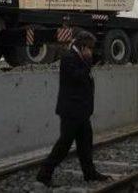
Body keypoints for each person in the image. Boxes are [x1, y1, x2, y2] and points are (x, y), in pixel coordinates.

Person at [36, 30, 111, 187]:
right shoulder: (69, 58)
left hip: (81, 111)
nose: (91, 51)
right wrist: (89, 62)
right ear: (82, 47)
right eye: (89, 48)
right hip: (71, 111)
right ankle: (44, 174)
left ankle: (89, 174)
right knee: (64, 145)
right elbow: (76, 77)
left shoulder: (79, 58)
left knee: (85, 144)